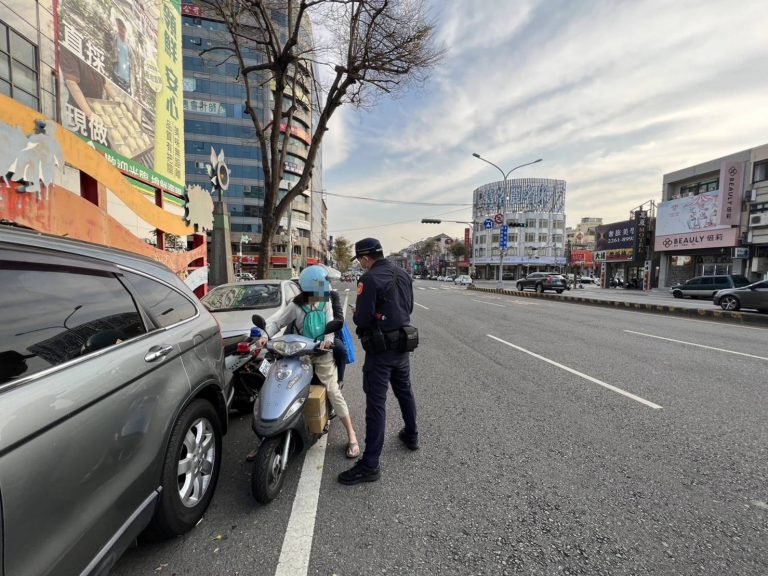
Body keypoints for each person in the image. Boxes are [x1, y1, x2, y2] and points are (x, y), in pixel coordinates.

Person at [251, 265, 360, 459]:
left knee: (333, 391)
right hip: (300, 354)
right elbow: (276, 322)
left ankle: (352, 435)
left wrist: (327, 341)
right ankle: (265, 439)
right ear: (313, 285)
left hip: (321, 353)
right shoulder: (296, 305)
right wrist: (265, 336)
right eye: (323, 283)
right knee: (278, 388)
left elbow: (330, 325)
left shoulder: (325, 302)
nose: (325, 286)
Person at [338, 238, 419, 486]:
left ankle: (370, 464)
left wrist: (357, 313)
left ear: (364, 258)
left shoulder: (369, 279)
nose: (361, 265)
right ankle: (412, 435)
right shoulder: (403, 274)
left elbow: (362, 320)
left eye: (360, 261)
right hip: (403, 345)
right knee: (404, 391)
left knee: (376, 403)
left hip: (380, 351)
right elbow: (410, 308)